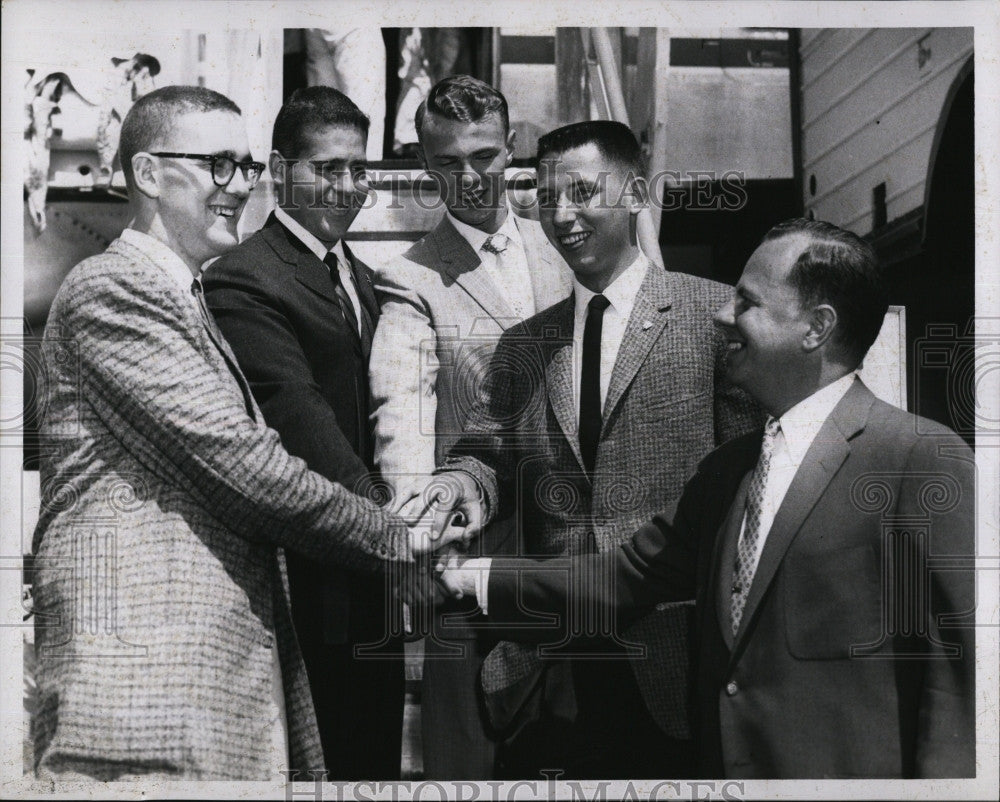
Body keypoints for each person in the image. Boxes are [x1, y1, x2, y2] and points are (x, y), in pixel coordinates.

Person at [440, 218, 976, 779]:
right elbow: (622, 577)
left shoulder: (921, 461)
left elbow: (959, 685)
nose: (723, 314)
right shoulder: (728, 472)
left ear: (816, 328)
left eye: (747, 302)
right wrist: (470, 576)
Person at [29, 85, 455, 782]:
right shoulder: (112, 289)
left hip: (203, 691)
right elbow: (245, 466)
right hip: (143, 696)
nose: (238, 187)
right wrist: (395, 537)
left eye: (245, 167)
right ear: (146, 174)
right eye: (216, 165)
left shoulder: (185, 300)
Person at [429, 120, 759, 779]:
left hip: (675, 667)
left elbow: (749, 489)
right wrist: (457, 488)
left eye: (582, 192)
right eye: (546, 198)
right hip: (547, 671)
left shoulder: (714, 319)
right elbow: (483, 455)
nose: (563, 215)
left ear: (636, 192)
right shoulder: (524, 345)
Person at [367, 75, 573, 779]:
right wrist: (415, 540)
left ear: (510, 147)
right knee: (465, 772)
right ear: (425, 164)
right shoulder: (410, 279)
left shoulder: (570, 250)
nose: (469, 176)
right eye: (448, 161)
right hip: (469, 565)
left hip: (583, 560)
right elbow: (403, 419)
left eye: (484, 155)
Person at [203, 86, 402, 780]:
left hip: (373, 579)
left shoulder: (368, 280)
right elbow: (300, 414)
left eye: (360, 170)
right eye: (329, 169)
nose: (349, 187)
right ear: (283, 172)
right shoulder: (244, 278)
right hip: (308, 582)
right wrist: (394, 525)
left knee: (372, 763)